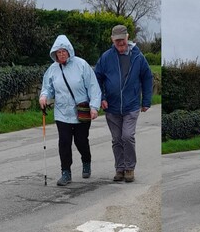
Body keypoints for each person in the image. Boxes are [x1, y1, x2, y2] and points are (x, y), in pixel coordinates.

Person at [39, 35, 101, 186]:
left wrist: (94, 107)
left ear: (69, 51)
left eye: (63, 51)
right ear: (54, 53)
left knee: (81, 141)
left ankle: (86, 160)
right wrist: (44, 97)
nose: (61, 54)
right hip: (62, 113)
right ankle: (65, 172)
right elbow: (47, 88)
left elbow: (93, 86)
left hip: (81, 111)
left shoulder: (81, 65)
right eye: (58, 52)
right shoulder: (52, 69)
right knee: (64, 142)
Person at [94, 25, 153, 183]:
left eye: (123, 40)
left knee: (127, 136)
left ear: (128, 37)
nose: (121, 43)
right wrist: (101, 97)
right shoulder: (106, 57)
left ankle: (130, 168)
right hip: (111, 106)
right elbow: (97, 78)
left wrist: (146, 100)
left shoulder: (138, 57)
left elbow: (147, 77)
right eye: (117, 40)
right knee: (116, 139)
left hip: (131, 105)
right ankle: (119, 168)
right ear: (112, 40)